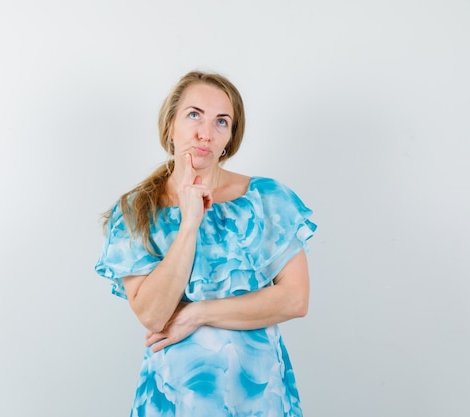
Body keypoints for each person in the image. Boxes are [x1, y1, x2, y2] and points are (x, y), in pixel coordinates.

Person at [95, 70, 317, 417]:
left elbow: (294, 299)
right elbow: (153, 314)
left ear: (230, 137)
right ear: (171, 126)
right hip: (175, 397)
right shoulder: (135, 211)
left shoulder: (266, 198)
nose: (205, 133)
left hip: (259, 395)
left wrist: (198, 314)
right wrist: (190, 223)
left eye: (221, 122)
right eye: (194, 115)